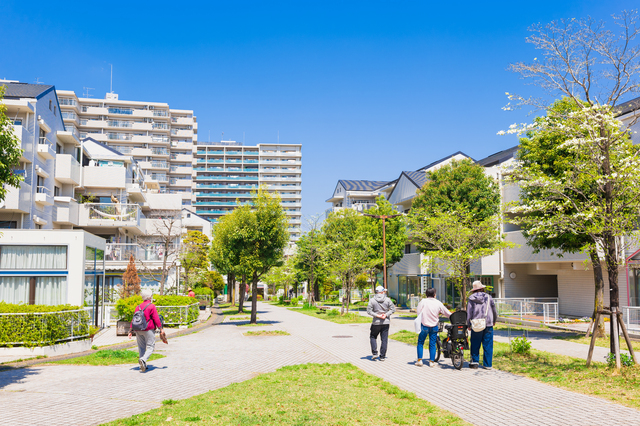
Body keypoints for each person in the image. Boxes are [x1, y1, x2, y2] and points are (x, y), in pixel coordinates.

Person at [128, 289, 164, 373]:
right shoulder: (151, 306)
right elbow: (156, 318)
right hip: (148, 329)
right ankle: (143, 360)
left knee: (141, 347)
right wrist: (160, 328)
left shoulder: (138, 306)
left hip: (138, 329)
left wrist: (130, 330)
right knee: (151, 346)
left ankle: (143, 365)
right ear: (149, 297)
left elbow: (134, 319)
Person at [466, 280, 499, 370]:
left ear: (474, 289)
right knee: (488, 344)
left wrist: (468, 324)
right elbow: (494, 310)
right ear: (482, 288)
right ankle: (488, 365)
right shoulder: (488, 297)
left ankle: (475, 362)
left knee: (475, 343)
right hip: (488, 323)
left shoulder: (471, 298)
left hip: (476, 324)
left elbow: (469, 313)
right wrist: (494, 320)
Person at [415, 288, 451, 367]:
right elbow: (446, 312)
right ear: (434, 294)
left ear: (426, 294)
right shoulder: (438, 303)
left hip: (424, 326)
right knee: (432, 344)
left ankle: (420, 360)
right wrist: (452, 316)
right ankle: (431, 362)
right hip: (434, 326)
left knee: (420, 343)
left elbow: (418, 313)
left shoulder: (423, 302)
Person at [366, 285, 396, 361]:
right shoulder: (388, 300)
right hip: (386, 322)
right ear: (382, 292)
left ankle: (375, 353)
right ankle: (382, 356)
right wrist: (386, 314)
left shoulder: (372, 300)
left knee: (373, 337)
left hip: (376, 322)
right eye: (384, 291)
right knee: (384, 339)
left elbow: (369, 311)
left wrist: (377, 315)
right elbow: (393, 309)